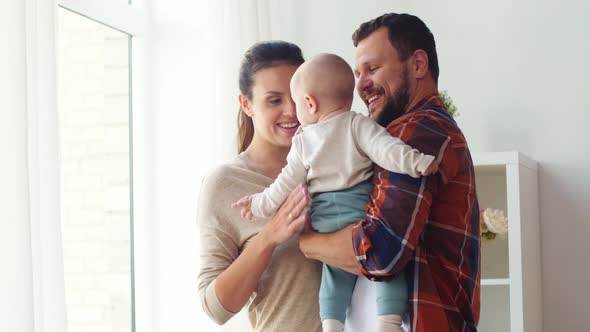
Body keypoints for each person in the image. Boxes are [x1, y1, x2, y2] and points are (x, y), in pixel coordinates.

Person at [298, 13, 481, 332]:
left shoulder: (417, 131)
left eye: (373, 68)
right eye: (357, 73)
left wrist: (306, 242)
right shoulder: (401, 133)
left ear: (418, 65)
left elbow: (381, 252)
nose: (360, 85)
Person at [232, 53, 438, 332]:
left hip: (325, 220)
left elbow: (283, 185)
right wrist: (418, 162)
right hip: (360, 213)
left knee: (333, 277)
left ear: (310, 103)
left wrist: (258, 205)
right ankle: (388, 322)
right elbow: (388, 152)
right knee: (390, 271)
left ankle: (332, 324)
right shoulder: (358, 124)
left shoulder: (303, 141)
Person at [197, 41, 322, 332]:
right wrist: (269, 236)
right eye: (274, 100)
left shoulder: (334, 164)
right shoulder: (225, 184)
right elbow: (215, 308)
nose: (292, 111)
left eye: (296, 96)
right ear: (247, 104)